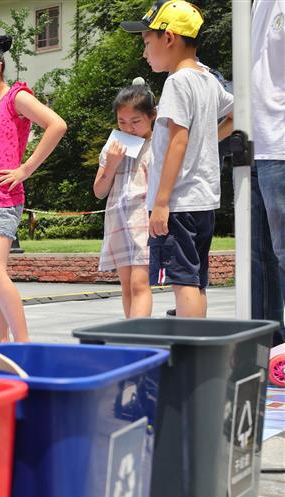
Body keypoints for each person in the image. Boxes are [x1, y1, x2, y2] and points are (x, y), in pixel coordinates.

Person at [122, 0, 234, 317]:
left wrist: (161, 202)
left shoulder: (177, 81)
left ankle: (190, 352)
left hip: (179, 203)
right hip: (203, 200)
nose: (145, 53)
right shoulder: (208, 79)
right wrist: (210, 139)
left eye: (147, 43)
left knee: (183, 281)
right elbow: (238, 112)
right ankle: (198, 349)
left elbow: (177, 140)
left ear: (168, 38)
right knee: (196, 281)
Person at [0, 35, 67, 342]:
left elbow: (56, 125)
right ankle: (0, 343)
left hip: (1, 198)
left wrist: (26, 168)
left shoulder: (15, 97)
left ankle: (22, 344)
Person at [93, 79, 156, 318]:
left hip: (143, 220)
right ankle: (131, 334)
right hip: (118, 221)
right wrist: (111, 164)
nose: (128, 128)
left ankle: (139, 340)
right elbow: (99, 191)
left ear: (152, 116)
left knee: (140, 284)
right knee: (127, 285)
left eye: (136, 122)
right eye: (122, 122)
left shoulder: (158, 144)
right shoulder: (114, 147)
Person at [250, 0, 285, 345]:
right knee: (259, 260)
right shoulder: (253, 5)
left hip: (281, 143)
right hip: (254, 143)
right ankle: (270, 348)